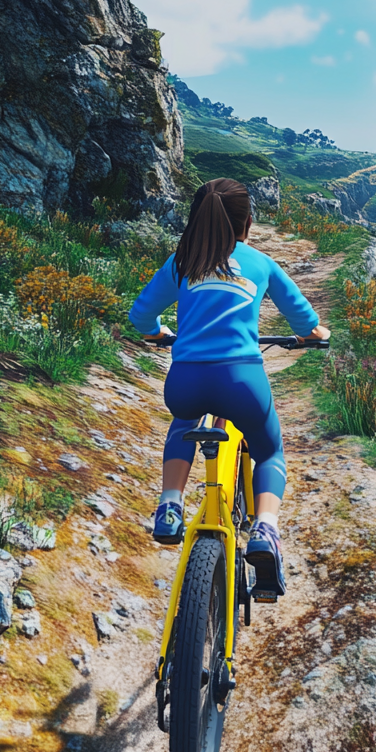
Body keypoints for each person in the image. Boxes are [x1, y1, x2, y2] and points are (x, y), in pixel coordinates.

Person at [128, 177, 329, 598]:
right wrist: (314, 334)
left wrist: (158, 332)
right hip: (242, 381)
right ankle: (265, 531)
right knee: (269, 450)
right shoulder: (261, 262)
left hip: (185, 380)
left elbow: (141, 315)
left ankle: (169, 506)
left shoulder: (182, 262)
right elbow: (304, 321)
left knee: (184, 421)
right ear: (247, 224)